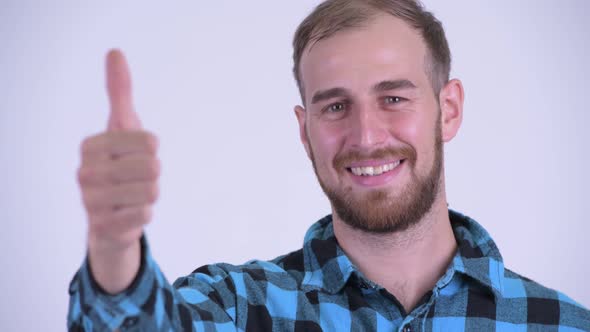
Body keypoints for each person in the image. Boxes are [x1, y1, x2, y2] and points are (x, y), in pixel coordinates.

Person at [67, 0, 590, 331]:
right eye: (336, 106)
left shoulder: (561, 324)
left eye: (393, 99)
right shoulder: (238, 308)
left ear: (448, 110)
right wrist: (114, 247)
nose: (365, 137)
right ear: (305, 131)